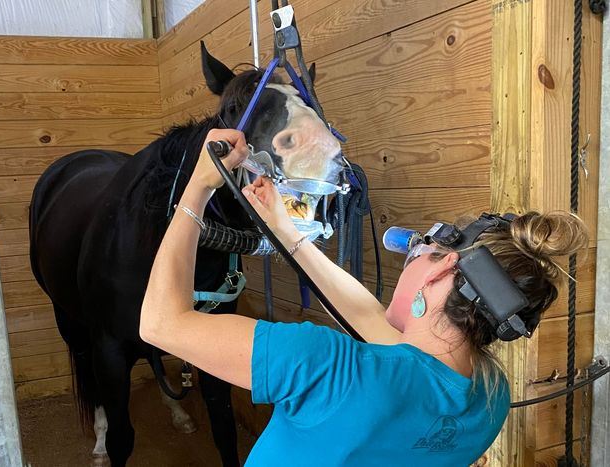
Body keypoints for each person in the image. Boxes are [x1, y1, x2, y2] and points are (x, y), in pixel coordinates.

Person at [139, 128, 589, 466]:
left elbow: (160, 323)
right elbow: (371, 319)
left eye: (419, 252)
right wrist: (286, 232)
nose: (408, 260)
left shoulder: (324, 365)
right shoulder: (488, 398)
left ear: (446, 271)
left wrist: (196, 189)